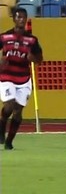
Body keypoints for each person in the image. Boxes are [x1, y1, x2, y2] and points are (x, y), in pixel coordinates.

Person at [0, 8, 43, 150]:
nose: (21, 20)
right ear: (14, 19)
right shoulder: (4, 37)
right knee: (9, 106)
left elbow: (40, 59)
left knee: (18, 112)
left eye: (23, 18)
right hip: (6, 76)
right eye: (18, 17)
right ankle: (2, 125)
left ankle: (9, 142)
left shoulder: (32, 39)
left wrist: (34, 58)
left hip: (24, 79)